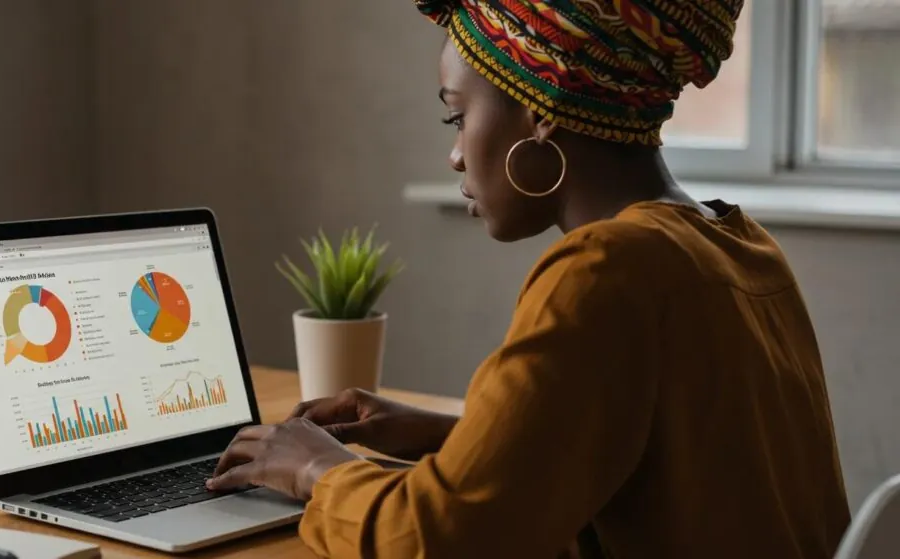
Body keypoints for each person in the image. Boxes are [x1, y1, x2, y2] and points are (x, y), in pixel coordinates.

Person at [207, 0, 853, 557]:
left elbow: (440, 541)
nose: (456, 152)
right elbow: (655, 457)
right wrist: (445, 433)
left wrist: (315, 468)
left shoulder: (605, 271)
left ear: (541, 111)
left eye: (456, 117)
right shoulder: (743, 248)